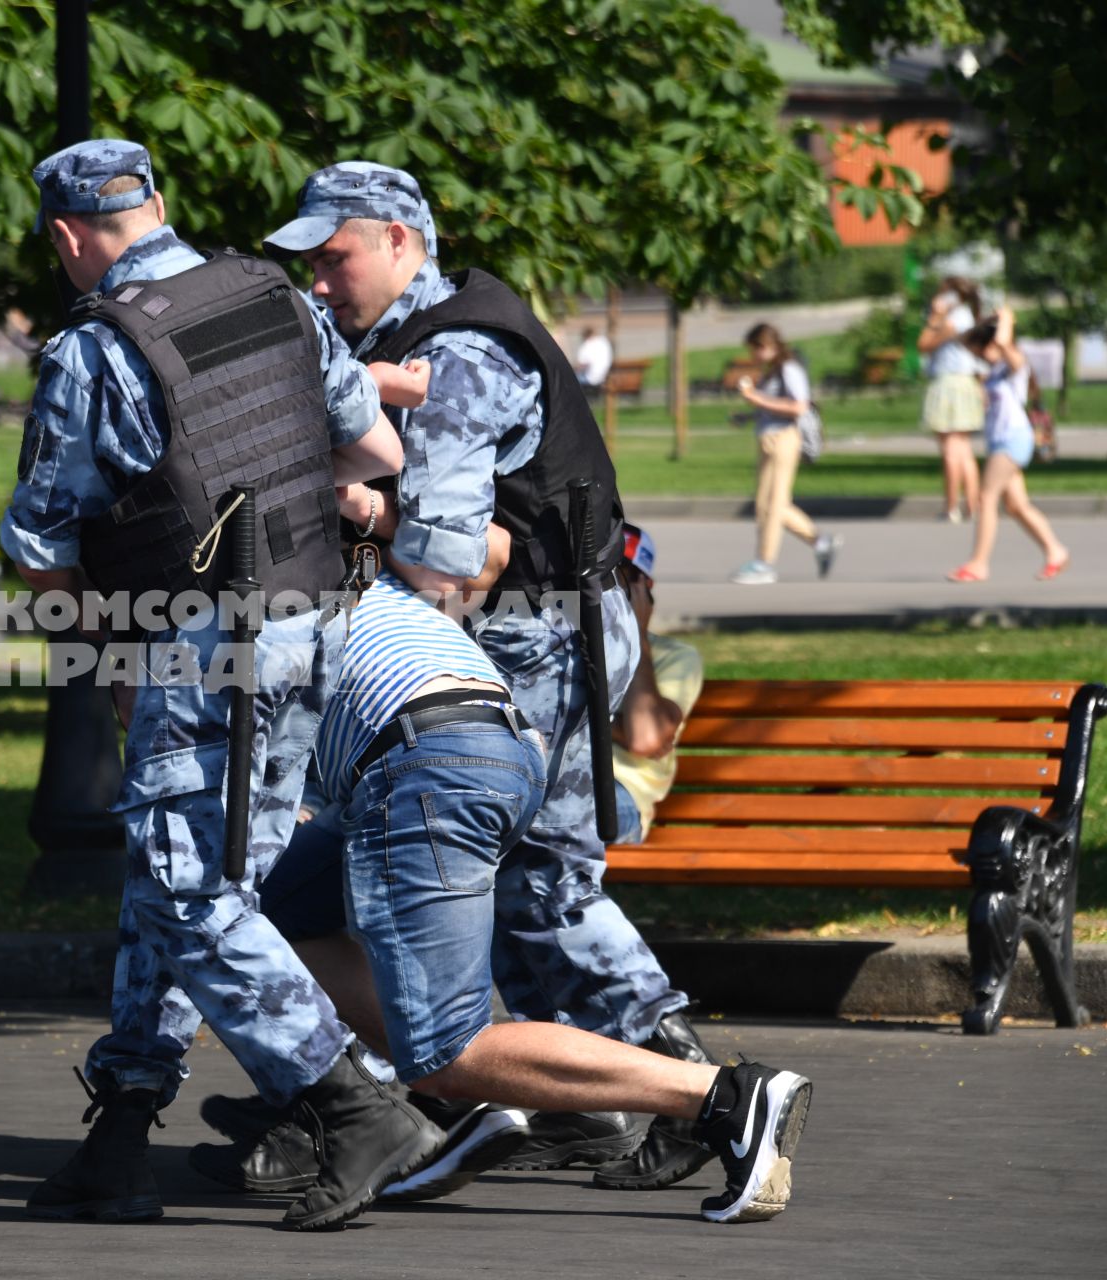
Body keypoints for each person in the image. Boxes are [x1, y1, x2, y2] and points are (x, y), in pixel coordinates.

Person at [0, 139, 442, 1233]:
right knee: (190, 884)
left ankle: (350, 1099)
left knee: (189, 888)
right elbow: (377, 450)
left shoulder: (94, 351)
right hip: (308, 626)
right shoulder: (278, 299)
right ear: (156, 203)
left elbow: (40, 549)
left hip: (195, 646)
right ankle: (122, 1128)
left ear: (67, 235)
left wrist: (107, 657)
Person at [264, 161, 718, 1192]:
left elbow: (445, 563)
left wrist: (349, 507)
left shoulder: (462, 351)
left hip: (540, 641)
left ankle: (686, 1083)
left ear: (396, 240)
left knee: (545, 884)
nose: (323, 282)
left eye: (335, 258)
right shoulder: (398, 342)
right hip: (517, 637)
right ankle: (575, 1106)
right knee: (507, 882)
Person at [196, 522, 814, 1224]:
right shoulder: (344, 572)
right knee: (276, 910)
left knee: (447, 1050)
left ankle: (721, 1097)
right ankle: (436, 1101)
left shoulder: (242, 613)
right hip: (487, 745)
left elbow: (227, 815)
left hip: (423, 769)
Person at [947, 306, 1072, 583]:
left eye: (981, 349)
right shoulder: (993, 372)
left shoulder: (1015, 364)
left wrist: (1006, 318)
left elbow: (1003, 342)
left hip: (1013, 439)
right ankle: (1055, 550)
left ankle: (979, 564)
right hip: (999, 441)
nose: (979, 355)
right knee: (1016, 506)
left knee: (986, 497)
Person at [608, 523, 704, 844]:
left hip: (617, 794)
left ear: (643, 589)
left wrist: (634, 635)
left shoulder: (674, 657)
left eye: (615, 576)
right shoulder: (554, 642)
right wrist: (612, 726)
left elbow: (644, 736)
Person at [729, 323, 839, 586]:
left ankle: (765, 564)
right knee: (766, 504)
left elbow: (798, 406)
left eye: (755, 350)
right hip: (768, 438)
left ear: (767, 346)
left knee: (775, 504)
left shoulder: (790, 369)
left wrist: (754, 397)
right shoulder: (773, 372)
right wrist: (747, 415)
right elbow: (773, 405)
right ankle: (821, 542)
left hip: (784, 440)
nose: (753, 356)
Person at [919, 276, 986, 523]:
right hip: (965, 383)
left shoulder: (953, 320)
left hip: (949, 384)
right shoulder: (967, 316)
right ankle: (972, 504)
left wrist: (935, 317)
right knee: (963, 450)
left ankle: (951, 507)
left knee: (950, 450)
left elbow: (923, 344)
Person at [575, 324, 614, 398]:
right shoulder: (604, 342)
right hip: (603, 376)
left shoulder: (586, 345)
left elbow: (581, 365)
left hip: (590, 379)